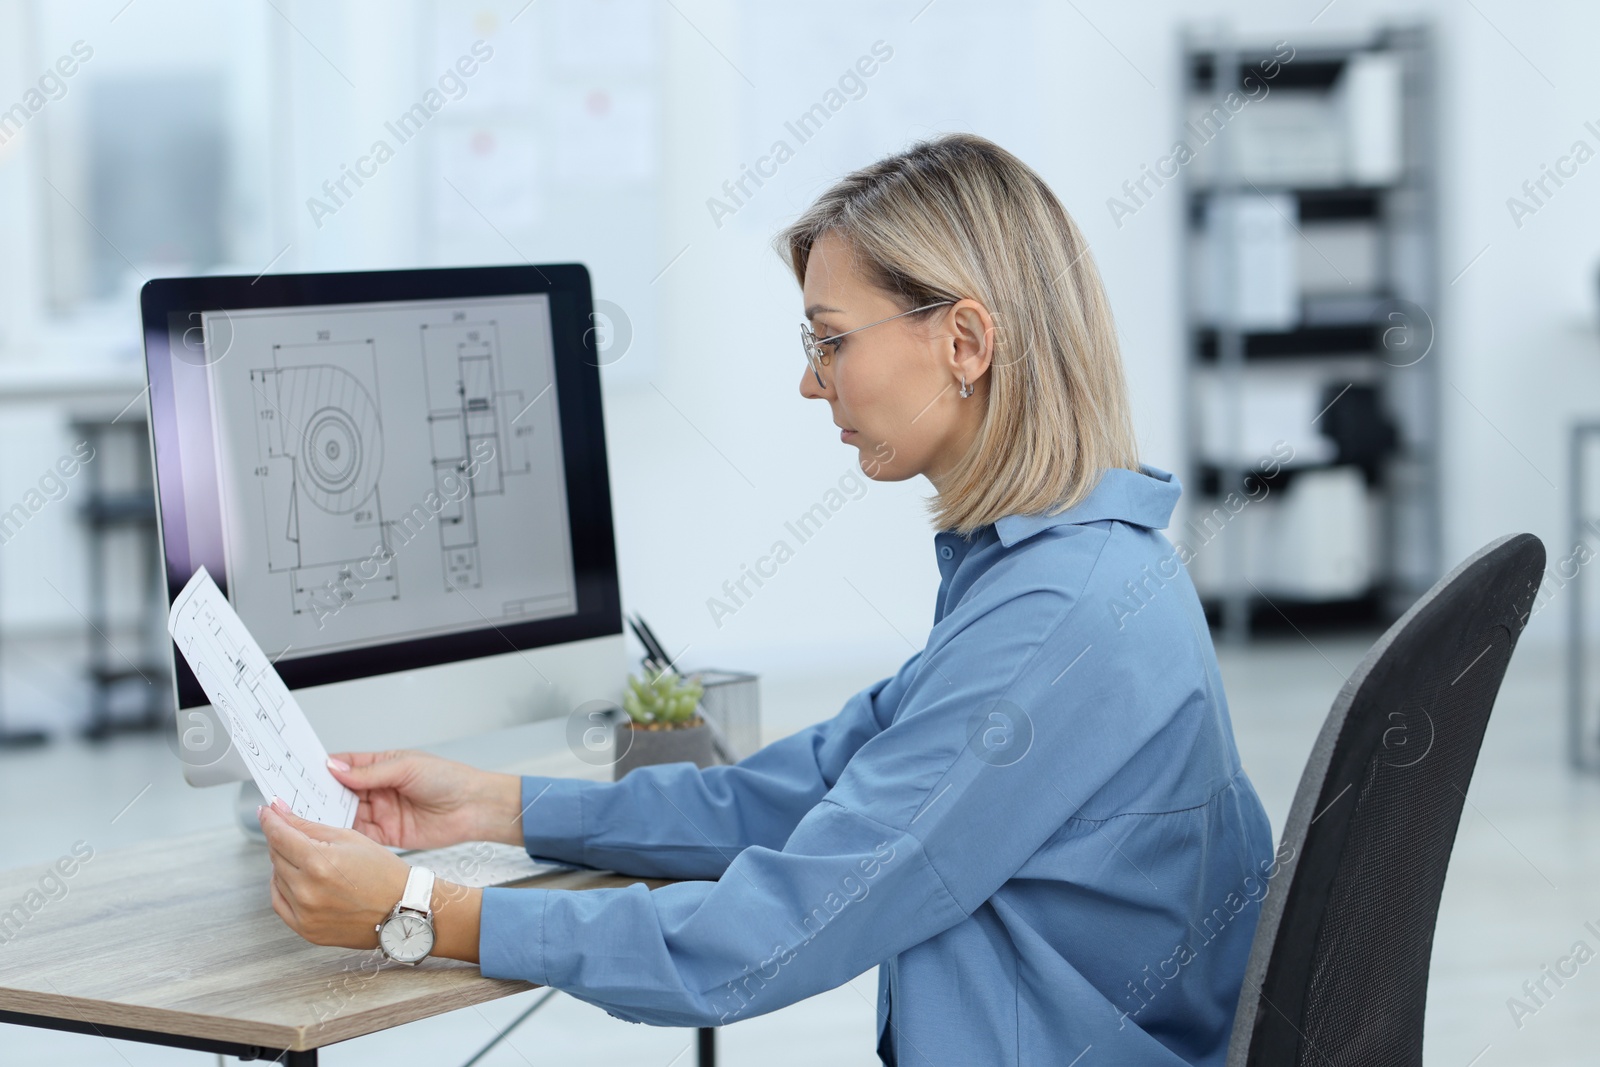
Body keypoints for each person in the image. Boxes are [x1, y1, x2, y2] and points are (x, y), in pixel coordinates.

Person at [259, 133, 1276, 1065]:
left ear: (964, 342)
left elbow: (771, 931)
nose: (811, 381)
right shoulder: (1058, 565)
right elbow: (805, 788)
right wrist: (493, 804)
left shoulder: (1051, 621)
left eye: (830, 341)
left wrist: (420, 910)